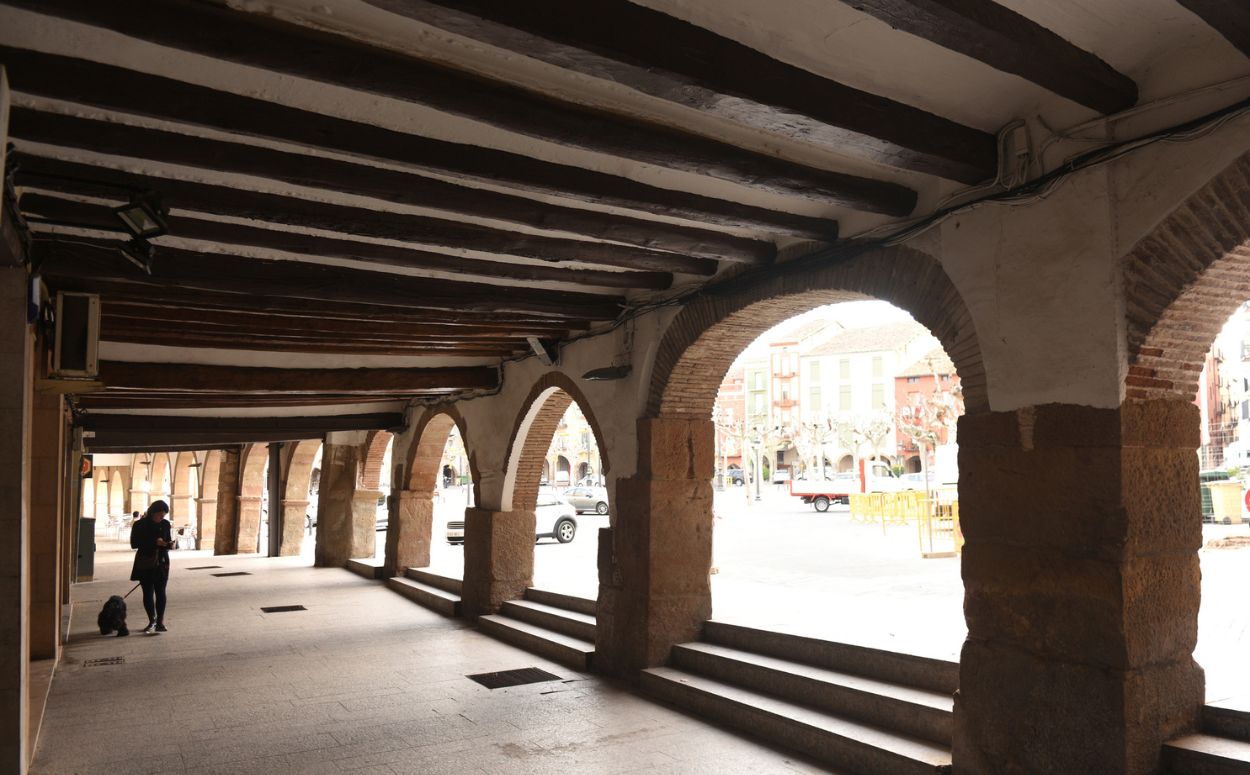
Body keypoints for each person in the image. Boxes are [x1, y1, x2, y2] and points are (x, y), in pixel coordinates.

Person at [129, 500, 172, 634]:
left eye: (164, 514)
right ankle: (151, 620)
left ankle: (160, 621)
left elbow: (168, 540)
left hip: (162, 562)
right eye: (160, 514)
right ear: (153, 512)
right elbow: (134, 543)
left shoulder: (165, 524)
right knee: (147, 592)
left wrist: (169, 544)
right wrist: (154, 542)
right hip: (146, 561)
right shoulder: (140, 524)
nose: (162, 517)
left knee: (161, 592)